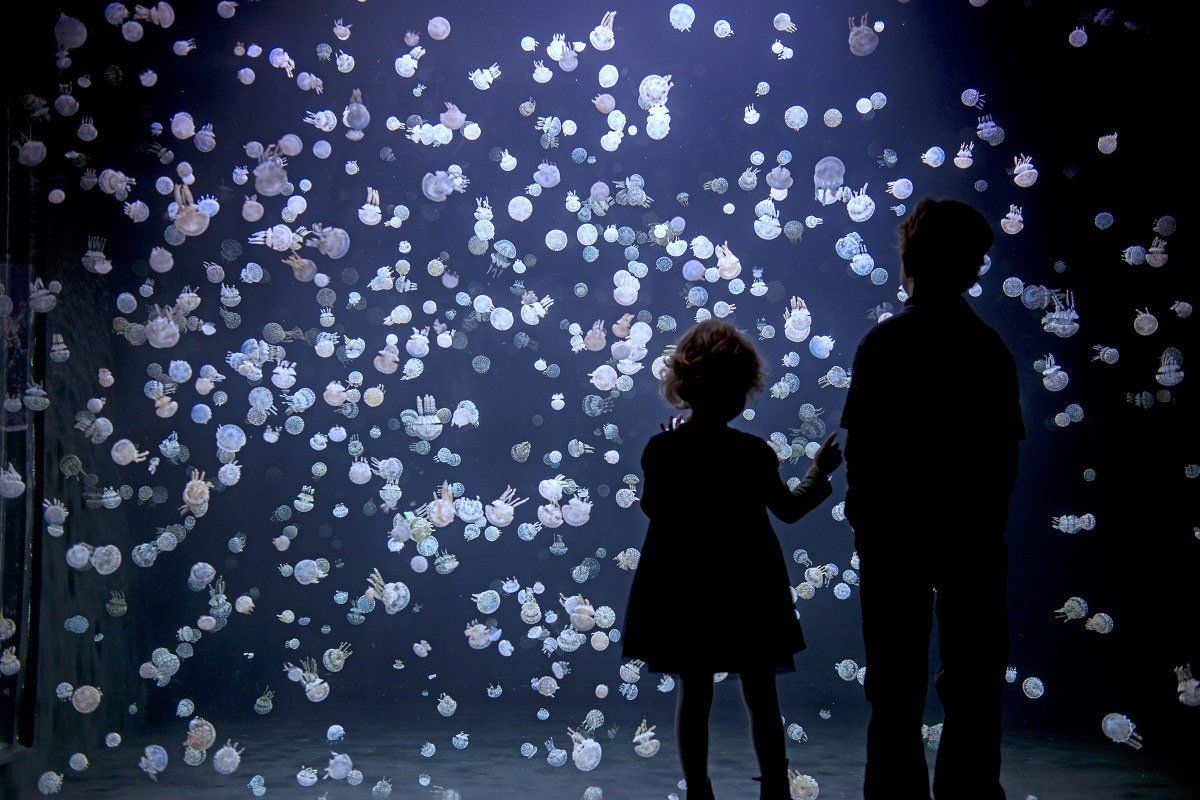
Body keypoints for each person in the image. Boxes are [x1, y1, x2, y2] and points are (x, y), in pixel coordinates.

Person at [840, 197, 1024, 800]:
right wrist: (988, 523)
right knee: (975, 684)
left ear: (909, 262)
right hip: (973, 533)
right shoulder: (988, 348)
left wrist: (866, 523)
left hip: (893, 535)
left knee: (894, 687)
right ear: (972, 268)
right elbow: (1004, 455)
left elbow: (862, 453)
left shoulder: (882, 345)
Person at [622, 319, 843, 800]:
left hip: (686, 586)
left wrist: (673, 451)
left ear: (683, 384)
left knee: (695, 691)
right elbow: (789, 509)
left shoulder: (661, 449)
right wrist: (819, 472)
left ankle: (698, 793)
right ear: (743, 389)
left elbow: (654, 508)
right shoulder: (752, 453)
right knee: (762, 692)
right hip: (748, 586)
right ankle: (775, 789)